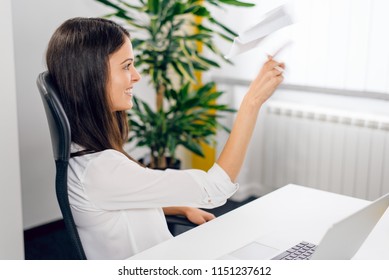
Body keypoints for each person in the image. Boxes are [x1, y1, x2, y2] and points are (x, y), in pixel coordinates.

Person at [45, 17, 284, 260]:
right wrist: (251, 103)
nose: (136, 76)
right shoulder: (102, 170)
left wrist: (178, 206)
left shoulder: (82, 154)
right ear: (91, 75)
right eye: (126, 66)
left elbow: (113, 204)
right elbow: (216, 188)